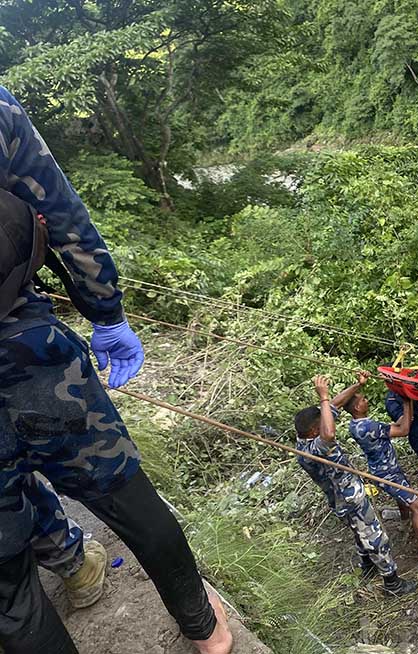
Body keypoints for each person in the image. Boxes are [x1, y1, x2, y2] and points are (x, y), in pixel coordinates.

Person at [0, 86, 231, 654]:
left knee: (6, 583)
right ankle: (207, 632)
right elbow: (62, 216)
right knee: (126, 497)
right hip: (26, 350)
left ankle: (72, 566)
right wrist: (105, 313)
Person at [294, 375, 416, 596]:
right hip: (349, 497)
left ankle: (367, 566)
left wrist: (357, 385)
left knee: (359, 531)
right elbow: (329, 432)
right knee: (375, 535)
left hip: (341, 497)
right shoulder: (314, 449)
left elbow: (335, 405)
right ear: (314, 431)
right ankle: (392, 583)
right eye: (322, 420)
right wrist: (322, 397)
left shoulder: (303, 438)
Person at [341, 380, 418, 572]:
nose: (366, 401)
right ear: (357, 407)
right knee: (417, 506)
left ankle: (405, 523)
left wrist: (405, 412)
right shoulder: (369, 426)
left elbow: (394, 427)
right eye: (363, 399)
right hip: (388, 474)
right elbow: (404, 430)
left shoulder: (355, 426)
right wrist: (407, 403)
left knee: (403, 494)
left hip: (382, 470)